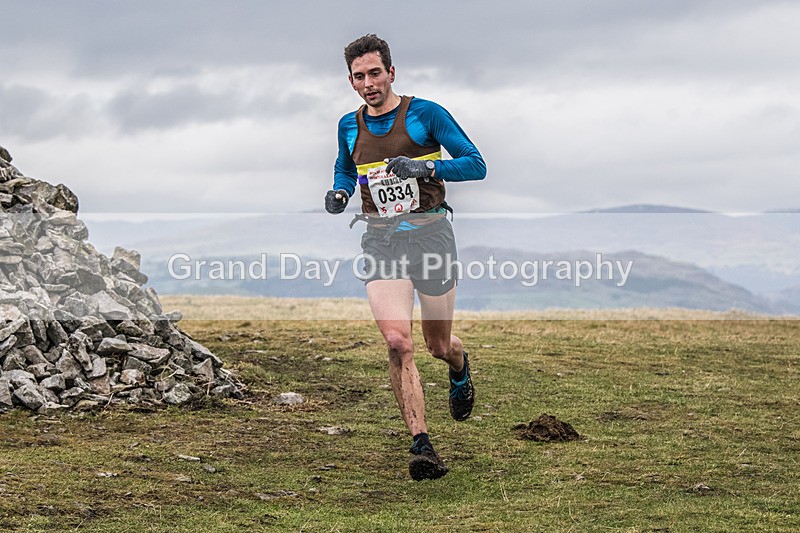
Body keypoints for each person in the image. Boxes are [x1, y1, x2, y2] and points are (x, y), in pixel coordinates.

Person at [325, 34, 486, 481]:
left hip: (431, 236)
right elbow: (345, 165)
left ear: (391, 72)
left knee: (438, 345)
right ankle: (422, 445)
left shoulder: (425, 114)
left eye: (375, 73)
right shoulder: (349, 124)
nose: (368, 83)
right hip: (381, 242)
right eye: (359, 77)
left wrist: (426, 166)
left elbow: (476, 163)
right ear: (351, 80)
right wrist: (340, 190)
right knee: (398, 341)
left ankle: (459, 366)